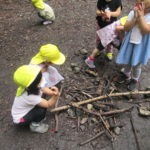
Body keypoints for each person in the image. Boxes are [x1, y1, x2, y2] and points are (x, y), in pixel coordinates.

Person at [11, 65, 60, 133]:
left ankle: (34, 118)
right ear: (37, 84)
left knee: (42, 98)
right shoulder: (30, 97)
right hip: (21, 120)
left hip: (25, 110)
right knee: (41, 110)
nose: (42, 78)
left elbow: (42, 88)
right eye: (41, 78)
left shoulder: (28, 86)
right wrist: (56, 96)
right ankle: (35, 125)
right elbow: (48, 104)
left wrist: (51, 92)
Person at [116, 0, 150, 91]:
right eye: (137, 2)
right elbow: (126, 27)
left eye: (142, 2)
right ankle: (126, 73)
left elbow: (145, 30)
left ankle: (135, 79)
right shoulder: (132, 13)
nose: (138, 3)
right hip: (130, 41)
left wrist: (141, 16)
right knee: (127, 59)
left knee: (136, 64)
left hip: (141, 45)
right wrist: (135, 17)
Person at [85, 0, 122, 68]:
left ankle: (109, 52)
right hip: (101, 25)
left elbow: (118, 12)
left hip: (110, 26)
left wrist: (110, 14)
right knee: (99, 38)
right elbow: (97, 11)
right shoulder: (101, 1)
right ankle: (96, 51)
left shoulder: (117, 1)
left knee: (110, 42)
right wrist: (101, 13)